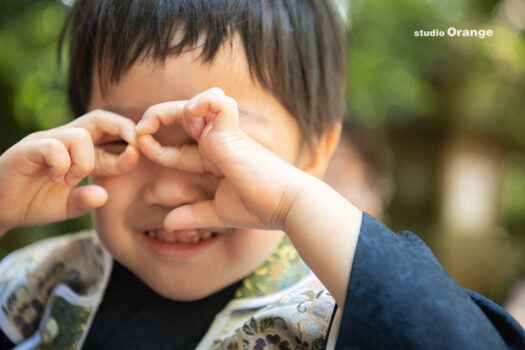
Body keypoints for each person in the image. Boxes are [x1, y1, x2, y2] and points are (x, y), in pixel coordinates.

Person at [0, 1, 524, 349]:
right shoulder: (39, 284)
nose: (169, 188)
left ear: (314, 152)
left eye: (227, 147)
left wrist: (296, 203)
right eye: (121, 139)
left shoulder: (330, 312)